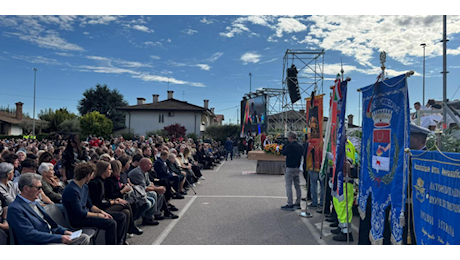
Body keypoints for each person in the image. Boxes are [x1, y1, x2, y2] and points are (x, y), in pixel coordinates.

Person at [7, 173, 90, 245]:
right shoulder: (15, 208)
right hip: (38, 242)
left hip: (50, 237)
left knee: (84, 237)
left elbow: (51, 224)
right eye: (38, 188)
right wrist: (59, 238)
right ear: (26, 188)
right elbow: (29, 234)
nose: (40, 191)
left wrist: (64, 231)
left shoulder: (35, 203)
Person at [62, 162, 127, 245]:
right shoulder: (71, 190)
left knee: (121, 216)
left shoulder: (84, 187)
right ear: (88, 175)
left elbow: (90, 205)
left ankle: (119, 243)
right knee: (111, 223)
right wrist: (99, 215)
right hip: (78, 220)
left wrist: (102, 212)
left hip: (87, 215)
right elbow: (80, 213)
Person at [281, 132, 304, 211]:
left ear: (290, 138)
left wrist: (284, 146)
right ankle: (298, 202)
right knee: (297, 185)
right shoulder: (300, 146)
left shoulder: (289, 146)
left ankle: (290, 203)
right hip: (297, 167)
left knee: (288, 185)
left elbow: (284, 152)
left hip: (290, 167)